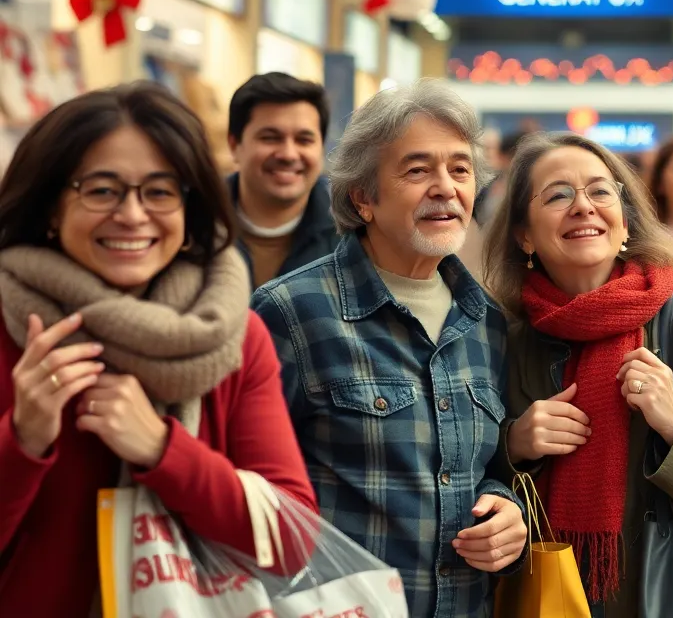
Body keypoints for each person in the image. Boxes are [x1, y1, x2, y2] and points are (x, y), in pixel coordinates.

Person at [0, 82, 317, 616]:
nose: (132, 214)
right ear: (52, 206)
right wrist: (24, 438)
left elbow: (289, 537)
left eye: (160, 191)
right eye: (101, 190)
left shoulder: (230, 334)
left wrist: (161, 450)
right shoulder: (10, 325)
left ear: (190, 210)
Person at [482, 132, 673, 617]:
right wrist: (514, 446)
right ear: (524, 233)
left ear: (624, 222)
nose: (583, 206)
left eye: (600, 191)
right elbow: (468, 494)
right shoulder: (502, 341)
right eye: (558, 194)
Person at [251, 80, 527, 618]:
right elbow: (250, 487)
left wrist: (507, 511)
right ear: (363, 198)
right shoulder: (292, 311)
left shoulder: (487, 321)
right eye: (417, 170)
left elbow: (488, 465)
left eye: (461, 169)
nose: (446, 188)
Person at [227, 73, 339, 289]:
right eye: (270, 137)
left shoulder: (352, 241)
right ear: (234, 145)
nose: (288, 154)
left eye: (304, 140)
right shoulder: (191, 227)